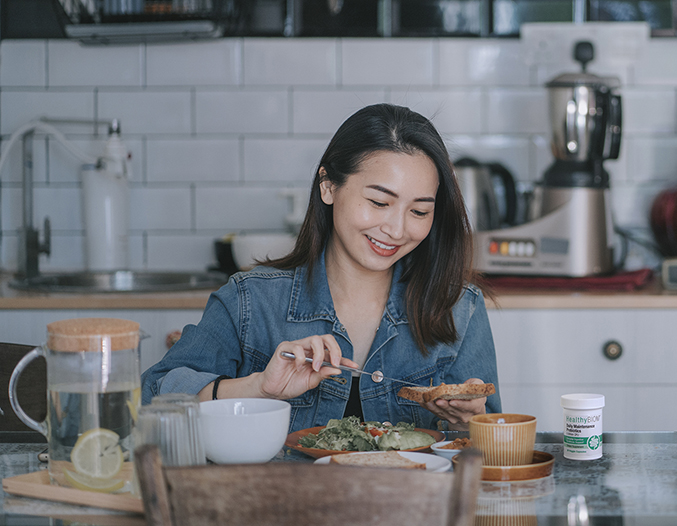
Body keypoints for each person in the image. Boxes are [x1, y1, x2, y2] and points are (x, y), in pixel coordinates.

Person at [141, 103, 501, 432]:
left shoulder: (459, 309)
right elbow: (151, 400)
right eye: (379, 202)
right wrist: (258, 388)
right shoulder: (251, 301)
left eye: (419, 211)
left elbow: (495, 446)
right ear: (328, 186)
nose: (397, 229)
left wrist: (474, 423)